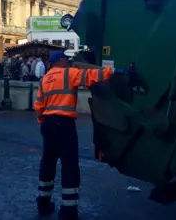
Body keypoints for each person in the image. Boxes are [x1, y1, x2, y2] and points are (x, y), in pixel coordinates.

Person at [34, 51, 120, 220]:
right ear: (60, 60)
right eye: (65, 59)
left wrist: (44, 121)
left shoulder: (44, 80)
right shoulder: (68, 73)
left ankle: (43, 203)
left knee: (48, 164)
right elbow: (91, 75)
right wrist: (115, 72)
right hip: (64, 125)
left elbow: (38, 106)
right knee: (69, 166)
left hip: (48, 124)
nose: (67, 61)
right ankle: (68, 211)